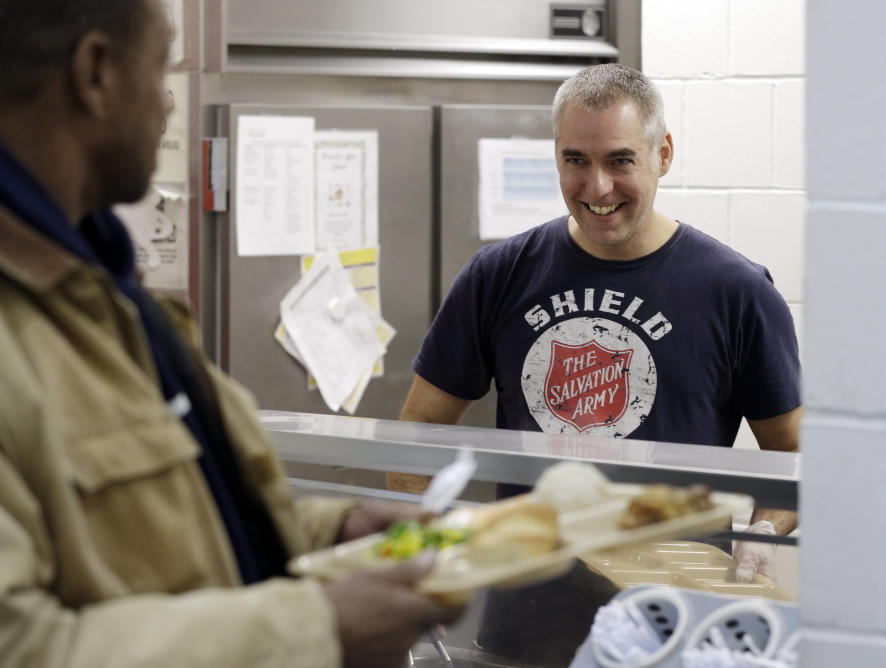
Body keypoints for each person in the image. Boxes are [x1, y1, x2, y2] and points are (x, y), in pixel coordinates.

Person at [0, 2, 459, 667]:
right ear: (95, 73)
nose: (165, 106)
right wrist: (316, 628)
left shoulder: (105, 296)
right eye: (160, 70)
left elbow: (155, 530)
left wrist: (334, 532)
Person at [397, 63, 802, 663]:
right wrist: (423, 558)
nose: (597, 187)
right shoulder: (499, 275)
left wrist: (763, 532)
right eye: (576, 161)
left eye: (620, 160)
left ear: (662, 154)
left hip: (674, 625)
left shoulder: (735, 291)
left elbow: (794, 457)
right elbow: (414, 439)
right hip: (525, 627)